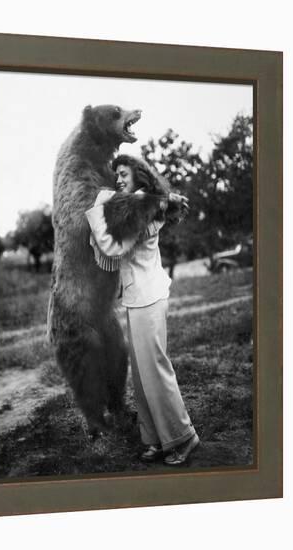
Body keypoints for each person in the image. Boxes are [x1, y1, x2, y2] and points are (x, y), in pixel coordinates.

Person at [85, 154, 199, 466]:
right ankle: (156, 439)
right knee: (143, 375)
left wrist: (95, 211)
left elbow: (112, 248)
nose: (118, 179)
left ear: (139, 175)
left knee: (156, 372)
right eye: (116, 175)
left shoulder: (142, 206)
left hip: (148, 297)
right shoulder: (139, 203)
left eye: (123, 173)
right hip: (138, 298)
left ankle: (183, 437)